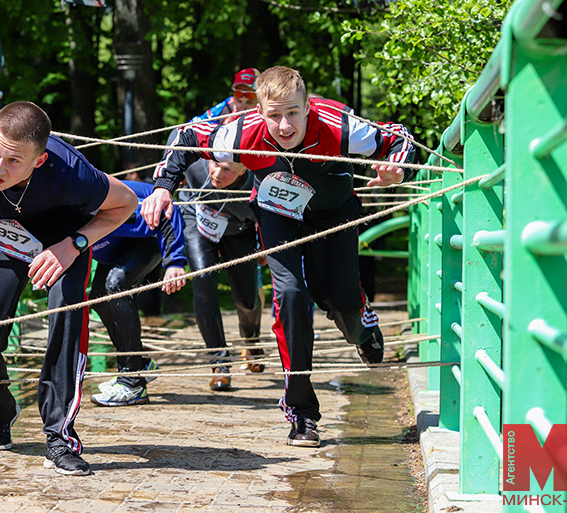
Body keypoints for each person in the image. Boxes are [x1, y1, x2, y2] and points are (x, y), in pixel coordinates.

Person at [142, 66, 415, 448]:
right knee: (289, 297)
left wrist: (396, 169)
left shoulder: (341, 127)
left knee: (338, 299)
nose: (284, 126)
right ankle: (302, 413)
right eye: (274, 115)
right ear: (260, 111)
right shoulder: (239, 131)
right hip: (277, 215)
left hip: (332, 215)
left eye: (293, 113)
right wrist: (162, 187)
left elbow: (400, 138)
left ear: (308, 106)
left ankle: (361, 322)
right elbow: (186, 135)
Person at [0, 101, 137, 476]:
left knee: (65, 323)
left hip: (63, 239)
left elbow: (126, 204)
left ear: (38, 160)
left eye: (13, 161)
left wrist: (74, 246)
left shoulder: (72, 173)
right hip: (1, 232)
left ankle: (59, 437)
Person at [88, 180, 187, 406]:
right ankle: (138, 363)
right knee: (99, 299)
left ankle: (131, 382)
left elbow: (167, 210)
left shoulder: (107, 199)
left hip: (147, 238)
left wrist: (174, 261)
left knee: (117, 284)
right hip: (114, 246)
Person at [176, 157, 264, 391]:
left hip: (239, 228)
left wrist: (265, 244)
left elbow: (271, 218)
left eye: (227, 170)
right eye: (215, 165)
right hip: (197, 217)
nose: (217, 173)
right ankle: (219, 362)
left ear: (244, 168)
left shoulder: (258, 183)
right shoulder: (196, 165)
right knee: (203, 279)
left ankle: (252, 340)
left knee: (247, 298)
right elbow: (173, 156)